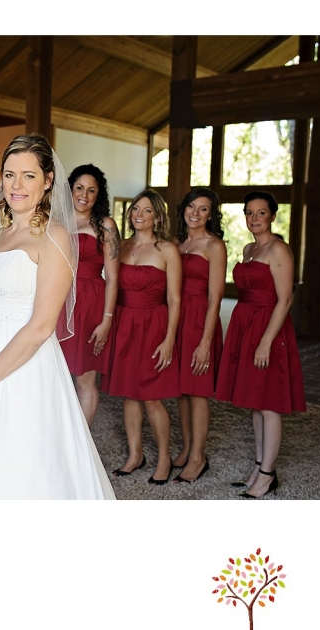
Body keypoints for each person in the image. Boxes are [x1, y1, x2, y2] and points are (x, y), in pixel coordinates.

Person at [0, 133, 116, 499]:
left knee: (19, 460)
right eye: (10, 174)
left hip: (22, 364)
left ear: (48, 181)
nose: (17, 185)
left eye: (29, 175)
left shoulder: (55, 237)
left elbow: (43, 325)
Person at [215, 191, 306, 498]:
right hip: (246, 324)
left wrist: (266, 341)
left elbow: (285, 299)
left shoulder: (279, 249)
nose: (254, 218)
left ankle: (267, 476)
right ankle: (259, 466)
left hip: (269, 327)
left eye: (261, 213)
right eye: (249, 213)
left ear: (272, 216)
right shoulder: (250, 247)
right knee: (255, 400)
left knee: (269, 404)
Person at [101, 189, 182, 485]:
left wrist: (169, 339)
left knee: (151, 398)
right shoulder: (120, 246)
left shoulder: (167, 251)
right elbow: (108, 283)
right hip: (124, 323)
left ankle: (164, 458)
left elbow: (174, 299)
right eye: (136, 209)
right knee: (128, 395)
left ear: (157, 217)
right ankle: (136, 454)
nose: (139, 214)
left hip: (153, 326)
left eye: (147, 211)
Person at [170, 187, 227, 484]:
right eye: (192, 206)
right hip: (178, 319)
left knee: (198, 389)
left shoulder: (214, 246)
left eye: (203, 209)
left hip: (200, 319)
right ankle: (188, 447)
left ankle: (198, 458)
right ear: (184, 209)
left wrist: (205, 342)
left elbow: (216, 298)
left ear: (210, 215)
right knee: (181, 388)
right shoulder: (176, 244)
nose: (195, 213)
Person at [60, 164, 120, 426]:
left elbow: (114, 277)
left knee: (85, 378)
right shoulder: (57, 222)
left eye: (91, 190)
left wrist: (106, 319)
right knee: (55, 374)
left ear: (99, 195)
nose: (84, 195)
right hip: (58, 300)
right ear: (70, 190)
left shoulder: (105, 225)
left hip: (90, 302)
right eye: (79, 188)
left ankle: (81, 447)